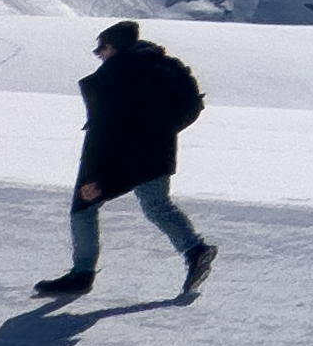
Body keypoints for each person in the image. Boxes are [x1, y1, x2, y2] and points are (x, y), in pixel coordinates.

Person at [33, 20, 216, 303]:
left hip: (123, 158)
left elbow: (108, 131)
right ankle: (195, 250)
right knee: (157, 205)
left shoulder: (117, 74)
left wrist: (96, 176)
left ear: (113, 46)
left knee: (83, 207)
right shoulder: (156, 66)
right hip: (157, 152)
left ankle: (81, 274)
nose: (98, 54)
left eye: (101, 48)